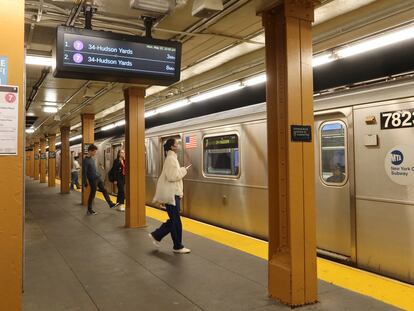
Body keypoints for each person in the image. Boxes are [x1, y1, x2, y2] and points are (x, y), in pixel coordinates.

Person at [149, 138, 191, 254]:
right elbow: (173, 177)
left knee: (174, 221)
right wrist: (183, 170)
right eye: (176, 144)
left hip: (173, 194)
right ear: (172, 147)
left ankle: (157, 236)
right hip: (171, 195)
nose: (178, 145)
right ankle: (177, 246)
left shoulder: (171, 158)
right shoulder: (171, 159)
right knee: (176, 221)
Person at [83, 144, 116, 215]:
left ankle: (110, 204)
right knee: (92, 194)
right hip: (92, 180)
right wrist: (85, 182)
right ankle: (89, 209)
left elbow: (93, 169)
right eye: (94, 151)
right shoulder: (85, 161)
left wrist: (98, 174)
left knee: (104, 190)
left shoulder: (92, 159)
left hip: (98, 178)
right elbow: (84, 172)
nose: (95, 153)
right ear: (90, 151)